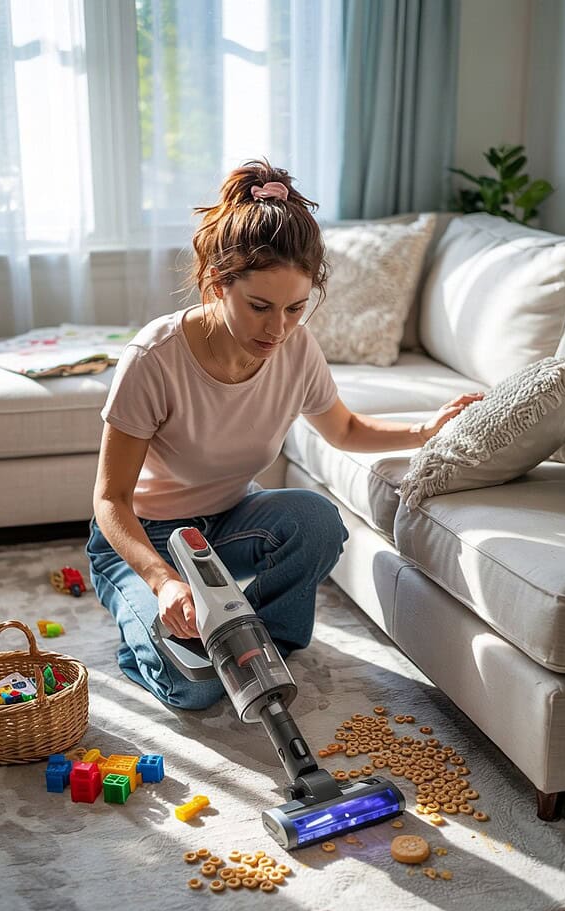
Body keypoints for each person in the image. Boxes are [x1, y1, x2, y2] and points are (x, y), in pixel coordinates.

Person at [87, 158, 482, 711]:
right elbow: (110, 500)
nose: (278, 329)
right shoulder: (154, 358)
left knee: (316, 520)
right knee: (198, 687)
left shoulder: (295, 348)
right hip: (143, 541)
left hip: (225, 527)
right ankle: (148, 640)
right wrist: (161, 582)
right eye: (259, 307)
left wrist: (426, 430)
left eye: (295, 309)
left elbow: (343, 428)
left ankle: (260, 640)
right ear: (218, 283)